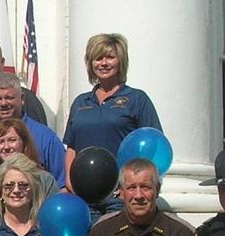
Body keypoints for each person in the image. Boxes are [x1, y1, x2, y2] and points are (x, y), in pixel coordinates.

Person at [62, 33, 162, 214]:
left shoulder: (137, 99)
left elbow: (152, 147)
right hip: (82, 197)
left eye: (110, 57)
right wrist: (70, 182)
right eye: (98, 58)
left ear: (120, 61)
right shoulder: (80, 102)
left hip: (118, 197)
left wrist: (131, 186)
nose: (104, 63)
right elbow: (72, 147)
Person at [0, 72, 65, 187]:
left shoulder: (46, 138)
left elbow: (62, 186)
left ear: (22, 99)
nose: (3, 103)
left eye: (9, 97)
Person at [0, 118, 60, 198]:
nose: (6, 147)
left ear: (24, 143)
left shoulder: (45, 181)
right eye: (0, 142)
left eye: (12, 140)